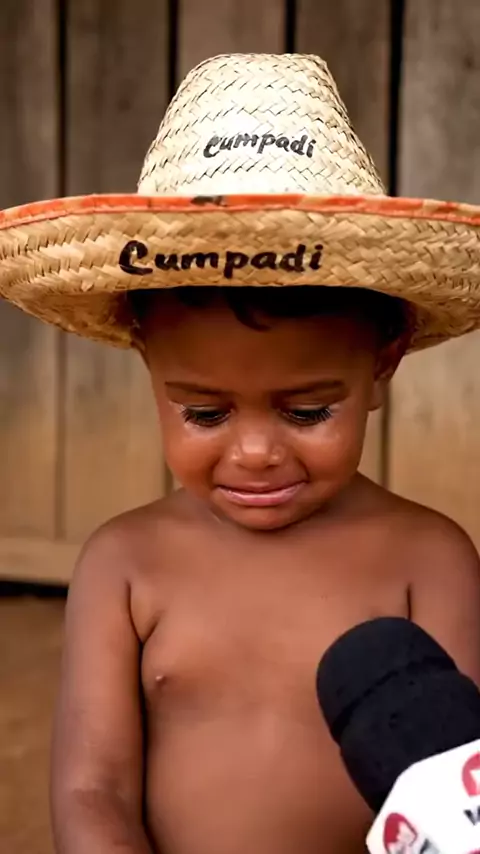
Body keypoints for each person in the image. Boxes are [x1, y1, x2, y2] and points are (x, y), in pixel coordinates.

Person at [1, 53, 480, 854]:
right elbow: (92, 791)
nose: (255, 452)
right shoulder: (126, 565)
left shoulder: (429, 560)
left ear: (383, 362)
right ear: (146, 361)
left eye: (308, 410)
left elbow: (459, 792)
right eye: (204, 412)